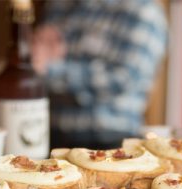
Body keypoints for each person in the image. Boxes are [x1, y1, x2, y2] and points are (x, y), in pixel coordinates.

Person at [32, 0, 167, 149]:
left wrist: (50, 70)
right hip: (48, 135)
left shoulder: (142, 10)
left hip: (112, 140)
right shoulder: (59, 5)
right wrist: (37, 61)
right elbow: (36, 62)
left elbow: (123, 79)